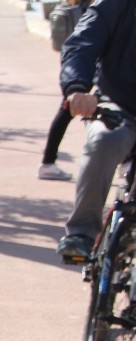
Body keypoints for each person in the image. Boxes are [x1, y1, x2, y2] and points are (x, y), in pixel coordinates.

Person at [55, 0, 136, 261]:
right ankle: (81, 233)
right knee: (105, 139)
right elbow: (81, 45)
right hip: (118, 105)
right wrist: (77, 88)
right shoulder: (117, 4)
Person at [38, 0, 89, 181]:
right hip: (83, 62)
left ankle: (48, 162)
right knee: (68, 109)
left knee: (69, 110)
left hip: (79, 59)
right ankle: (48, 162)